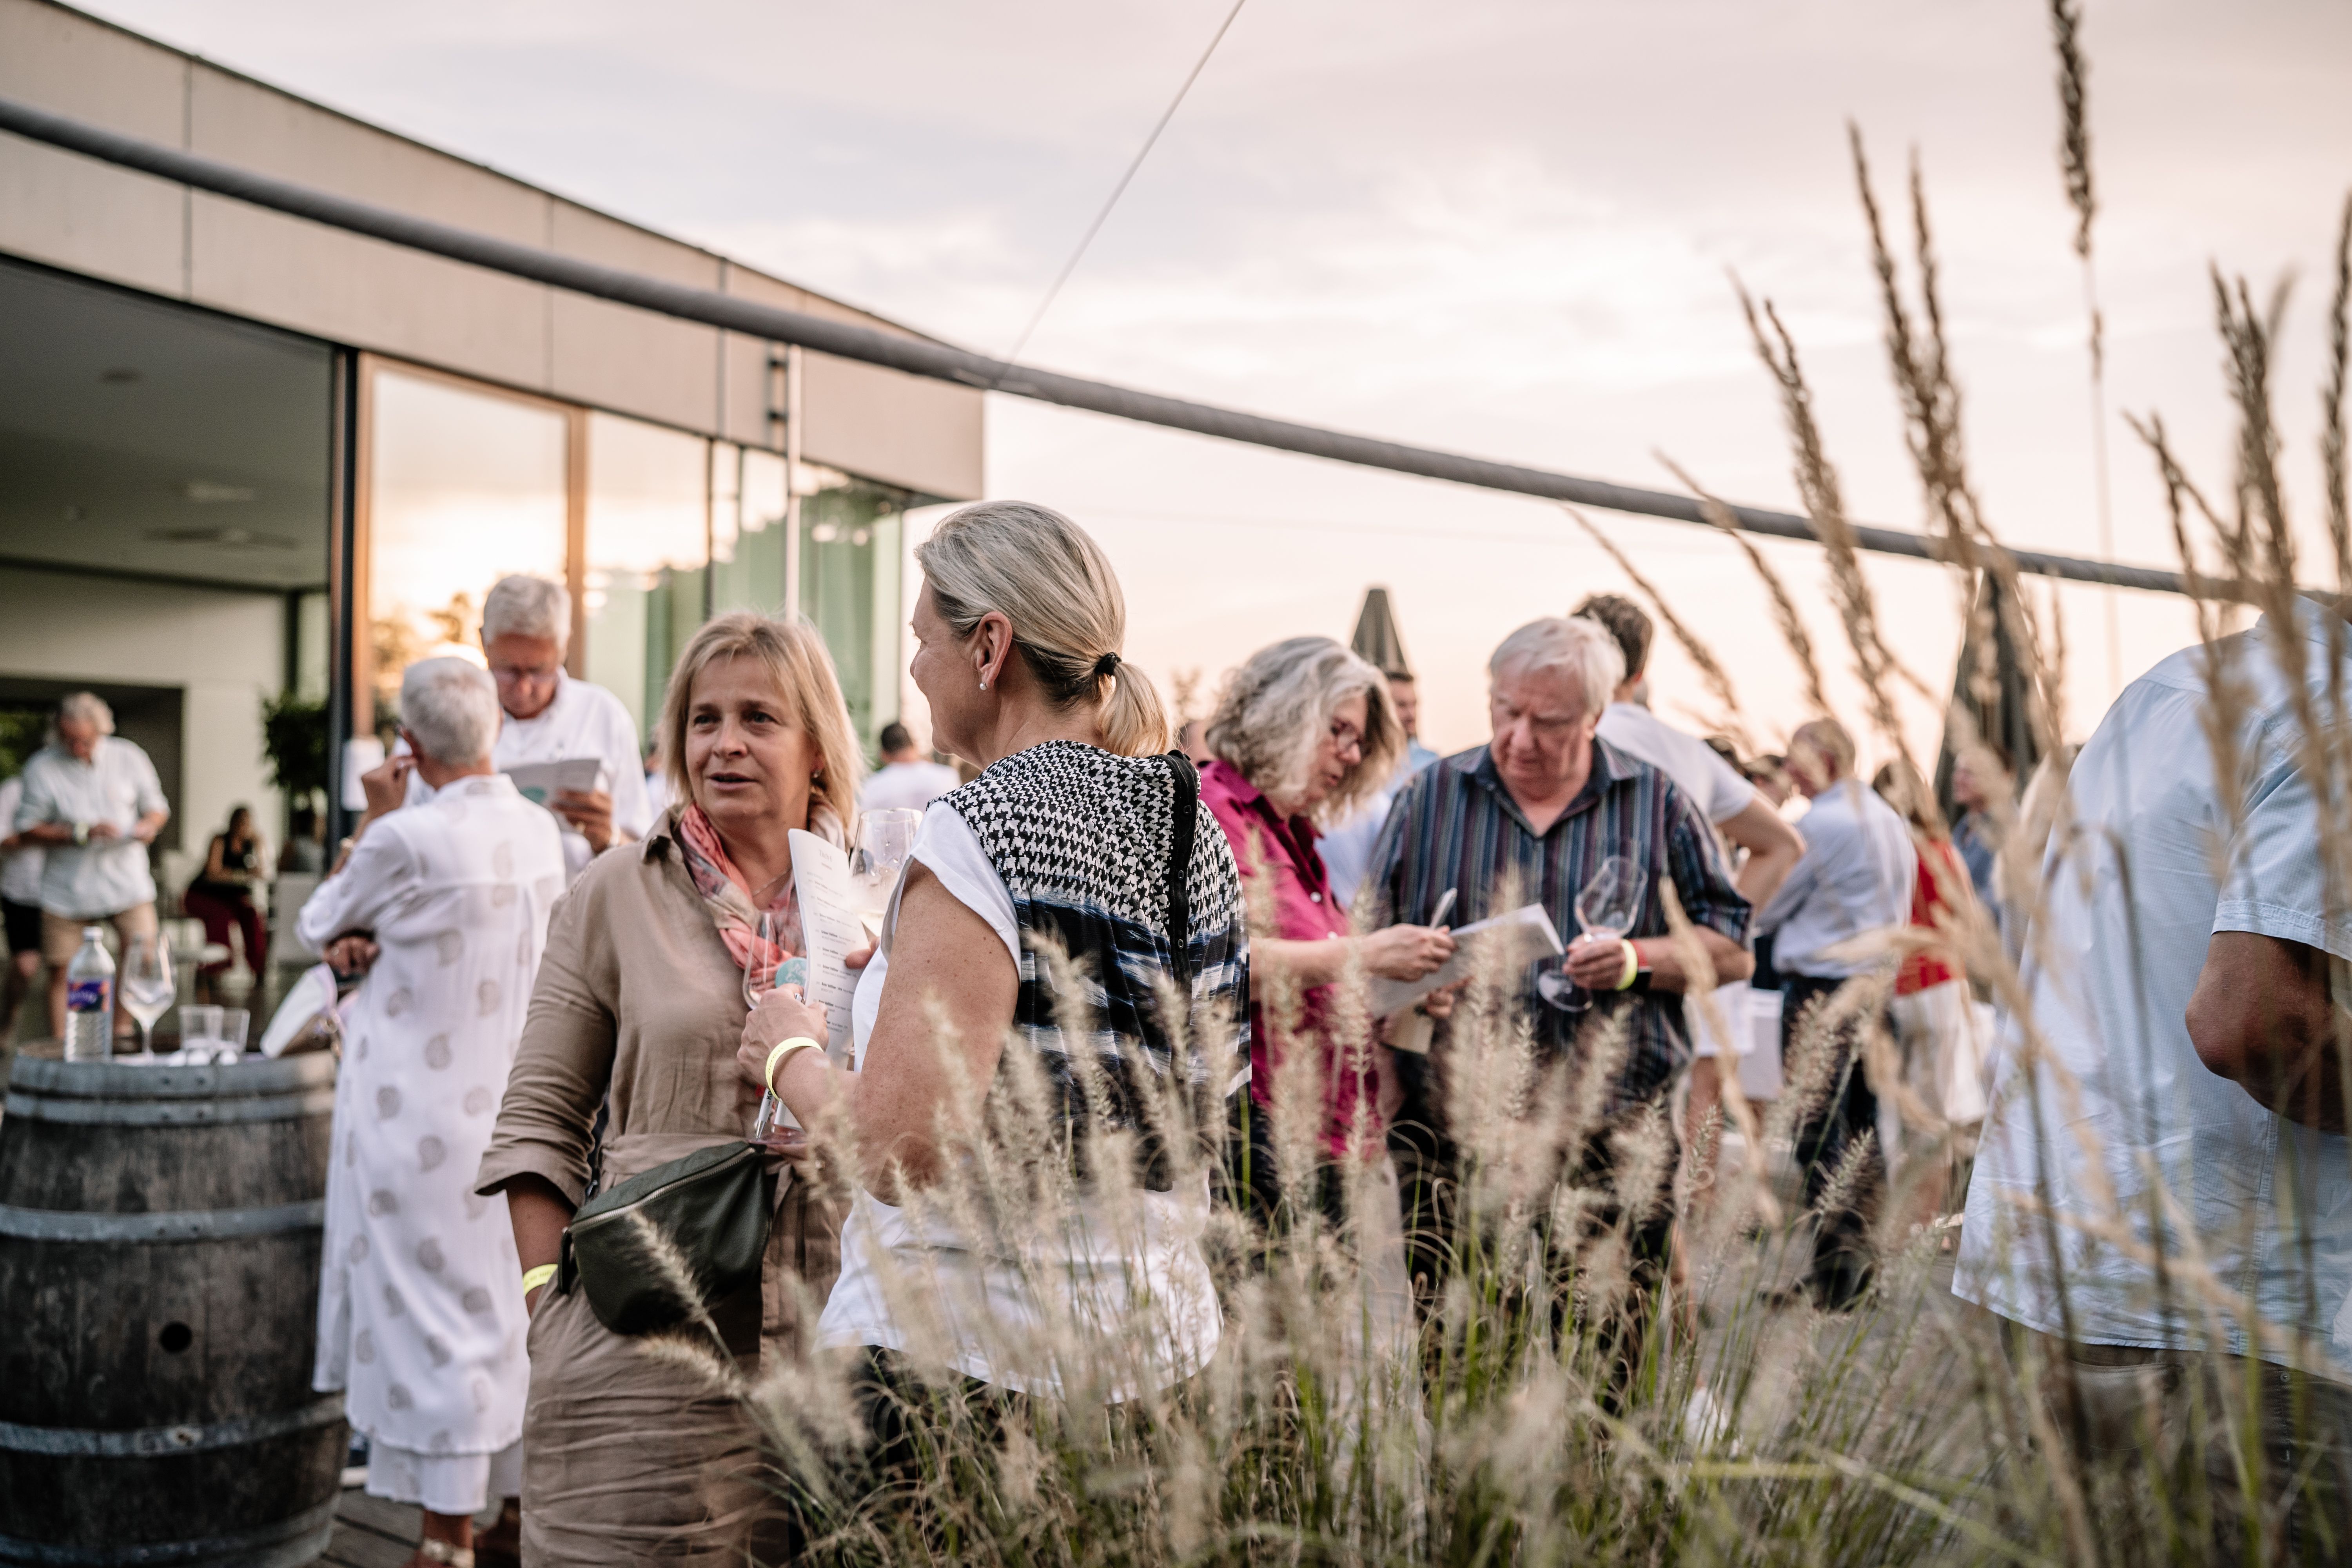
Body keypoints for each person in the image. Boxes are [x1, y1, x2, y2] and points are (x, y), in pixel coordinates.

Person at [737, 501, 1248, 1486]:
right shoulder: (1192, 823)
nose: (916, 670)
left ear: (990, 648)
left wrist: (787, 1049)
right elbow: (1182, 1089)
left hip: (962, 1369)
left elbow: (898, 1153)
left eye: (925, 641)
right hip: (1154, 1353)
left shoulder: (982, 824)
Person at [1955, 599, 2352, 1547]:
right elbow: (2250, 1020)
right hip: (2241, 1305)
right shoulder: (2335, 708)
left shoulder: (2171, 685)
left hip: (2065, 1260)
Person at [479, 611, 862, 1564]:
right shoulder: (615, 891)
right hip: (644, 1344)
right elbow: (538, 1121)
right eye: (704, 719)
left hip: (838, 1343)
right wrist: (548, 1306)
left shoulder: (873, 902)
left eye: (759, 718)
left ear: (816, 745)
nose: (724, 743)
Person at [1368, 616, 1752, 1393]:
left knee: (1609, 1374)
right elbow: (1366, 947)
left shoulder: (1657, 803)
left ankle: (1598, 1505)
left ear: (1597, 715)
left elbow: (1732, 945)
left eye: (1547, 721)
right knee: (1463, 1376)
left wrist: (1640, 961)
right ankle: (1472, 1516)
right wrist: (1413, 985)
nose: (1519, 737)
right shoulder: (1430, 795)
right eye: (1504, 711)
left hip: (1612, 1133)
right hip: (1454, 1137)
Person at [298, 659, 566, 1568]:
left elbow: (315, 922)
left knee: (429, 1320)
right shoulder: (540, 831)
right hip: (515, 1110)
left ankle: (443, 1536)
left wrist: (376, 812)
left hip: (412, 1119)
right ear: (493, 725)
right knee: (498, 1309)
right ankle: (509, 1515)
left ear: (408, 746)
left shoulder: (403, 837)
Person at [1198, 636, 1454, 1229]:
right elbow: (1220, 963)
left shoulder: (1294, 835)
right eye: (1339, 731)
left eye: (1360, 742)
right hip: (1258, 1135)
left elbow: (1315, 975)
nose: (1350, 755)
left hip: (1322, 1133)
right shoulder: (1215, 813)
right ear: (1283, 715)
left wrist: (1398, 994)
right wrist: (1367, 953)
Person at [1571, 594, 1805, 1145]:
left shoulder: (1571, 739)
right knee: (1694, 1118)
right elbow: (1782, 845)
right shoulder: (1686, 751)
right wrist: (1716, 931)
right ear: (1643, 669)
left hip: (1589, 968)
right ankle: (1693, 1230)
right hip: (1681, 967)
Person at [1752, 718, 1915, 1309]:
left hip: (1824, 994)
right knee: (1866, 1136)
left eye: (1795, 760)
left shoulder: (1819, 823)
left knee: (1818, 1133)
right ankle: (1861, 1271)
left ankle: (1835, 1279)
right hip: (1877, 991)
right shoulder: (1888, 819)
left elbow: (1768, 907)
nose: (1788, 774)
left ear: (1824, 756)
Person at [406, 575, 653, 884]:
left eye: (538, 671)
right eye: (508, 670)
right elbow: (398, 834)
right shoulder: (438, 713)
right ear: (484, 642)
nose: (523, 689)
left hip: (578, 921)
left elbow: (646, 858)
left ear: (563, 648)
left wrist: (609, 837)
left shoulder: (604, 716)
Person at [11, 693, 170, 1042]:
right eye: (69, 738)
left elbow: (157, 806)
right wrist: (79, 833)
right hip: (68, 888)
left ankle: (122, 1035)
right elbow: (26, 828)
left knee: (144, 957)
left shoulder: (128, 756)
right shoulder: (42, 766)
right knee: (63, 971)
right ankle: (63, 1047)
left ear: (102, 731)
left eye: (84, 739)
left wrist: (148, 827)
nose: (76, 746)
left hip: (126, 882)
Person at [1870, 760, 1985, 1228]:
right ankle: (1924, 1223)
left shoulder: (1878, 849)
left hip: (1891, 988)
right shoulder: (1942, 849)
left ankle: (1896, 1224)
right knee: (1935, 1114)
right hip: (1939, 982)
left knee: (1895, 1111)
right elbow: (1970, 924)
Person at [1319, 668, 1443, 911]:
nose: (1411, 714)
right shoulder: (1342, 784)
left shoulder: (1433, 768)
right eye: (1401, 705)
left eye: (1414, 705)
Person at [183, 804, 268, 995]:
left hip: (231, 898)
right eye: (241, 822)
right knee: (222, 917)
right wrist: (238, 875)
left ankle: (258, 968)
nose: (244, 827)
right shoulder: (220, 840)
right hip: (204, 895)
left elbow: (261, 870)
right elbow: (213, 873)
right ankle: (214, 969)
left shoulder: (250, 845)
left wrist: (260, 843)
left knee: (252, 916)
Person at [0, 770, 45, 1043]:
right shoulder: (15, 789)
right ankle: (8, 1017)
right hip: (23, 891)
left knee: (66, 967)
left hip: (68, 893)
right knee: (25, 966)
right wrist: (43, 834)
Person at [857, 720, 960, 812]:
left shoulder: (873, 786)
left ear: (884, 755)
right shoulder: (949, 776)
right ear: (914, 745)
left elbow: (864, 824)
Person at [279, 802, 327, 875]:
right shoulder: (296, 844)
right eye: (319, 824)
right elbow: (282, 870)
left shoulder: (324, 846)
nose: (324, 828)